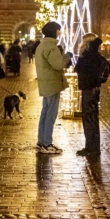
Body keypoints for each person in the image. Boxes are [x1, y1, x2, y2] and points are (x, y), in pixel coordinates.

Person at [34, 21, 71, 154]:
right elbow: (58, 64)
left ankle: (41, 141)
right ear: (54, 31)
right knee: (51, 114)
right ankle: (47, 143)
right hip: (52, 84)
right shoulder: (51, 46)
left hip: (45, 82)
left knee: (45, 113)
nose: (59, 33)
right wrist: (67, 56)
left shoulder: (42, 45)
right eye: (58, 30)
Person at [74, 33, 110, 157]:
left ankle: (91, 148)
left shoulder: (88, 56)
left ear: (86, 43)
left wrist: (80, 58)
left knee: (89, 119)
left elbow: (79, 69)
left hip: (89, 90)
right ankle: (92, 146)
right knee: (92, 119)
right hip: (93, 89)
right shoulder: (96, 55)